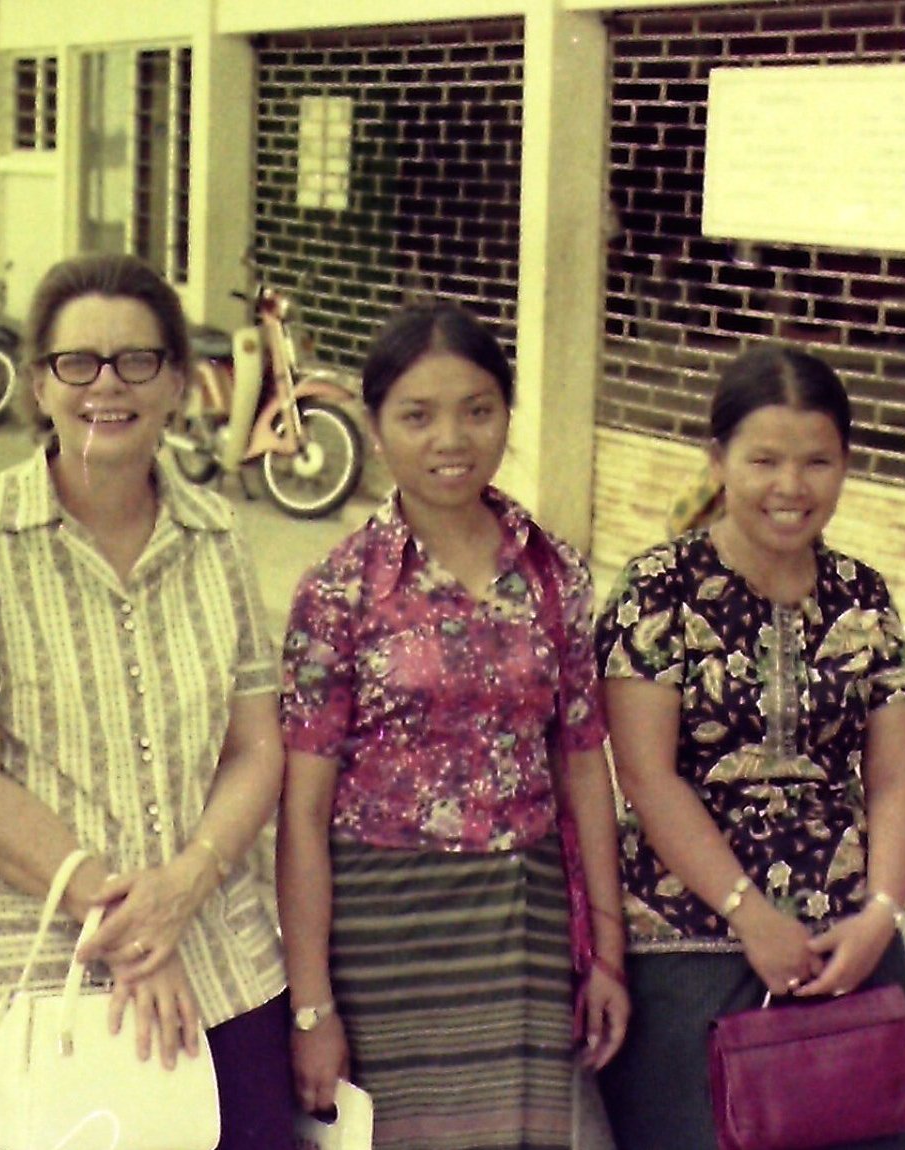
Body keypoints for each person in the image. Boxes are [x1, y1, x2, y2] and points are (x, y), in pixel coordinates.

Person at [0, 252, 296, 1148]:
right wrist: (120, 922)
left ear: (175, 386)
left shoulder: (218, 536)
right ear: (39, 384)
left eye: (137, 361)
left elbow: (255, 749)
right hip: (28, 949)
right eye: (76, 362)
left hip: (214, 934)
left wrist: (187, 882)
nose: (105, 386)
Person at [278, 304, 630, 1150]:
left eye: (477, 410)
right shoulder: (339, 591)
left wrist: (608, 955)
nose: (452, 439)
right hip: (386, 933)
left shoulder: (556, 575)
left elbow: (586, 766)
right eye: (417, 415)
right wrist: (312, 1004)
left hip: (526, 924)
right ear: (374, 425)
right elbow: (300, 812)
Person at [593, 344, 905, 1150]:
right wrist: (749, 913)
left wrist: (881, 913)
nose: (791, 487)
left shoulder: (862, 595)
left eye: (817, 461)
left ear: (846, 464)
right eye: (765, 460)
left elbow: (894, 779)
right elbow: (644, 775)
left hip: (848, 958)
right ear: (719, 460)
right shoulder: (658, 589)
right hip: (693, 950)